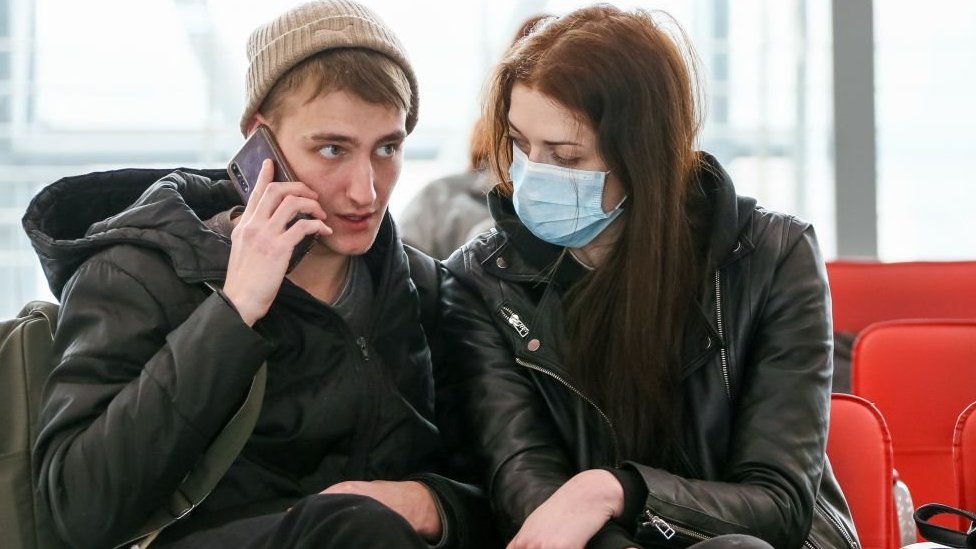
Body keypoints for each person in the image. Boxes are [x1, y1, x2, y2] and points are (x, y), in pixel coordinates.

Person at [23, 2, 492, 548]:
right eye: (332, 149)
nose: (366, 191)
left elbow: (496, 492)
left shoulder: (419, 287)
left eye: (387, 148)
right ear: (259, 138)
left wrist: (430, 504)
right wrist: (233, 309)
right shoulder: (139, 273)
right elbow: (76, 511)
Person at [440, 5, 857, 549]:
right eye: (521, 145)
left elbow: (777, 505)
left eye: (565, 156)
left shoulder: (774, 257)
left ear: (645, 159)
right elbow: (527, 485)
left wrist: (616, 490)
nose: (532, 175)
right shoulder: (481, 282)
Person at [398, 14, 548, 260]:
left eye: (566, 154)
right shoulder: (440, 199)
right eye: (520, 141)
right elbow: (400, 289)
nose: (536, 162)